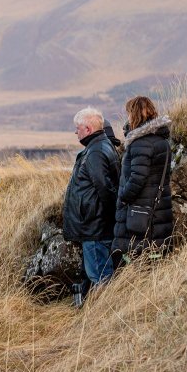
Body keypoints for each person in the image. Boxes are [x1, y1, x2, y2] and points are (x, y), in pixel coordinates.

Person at [62, 108, 121, 292]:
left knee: (101, 279)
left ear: (87, 129)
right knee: (100, 276)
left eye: (77, 128)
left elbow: (105, 189)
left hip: (95, 228)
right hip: (96, 225)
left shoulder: (95, 151)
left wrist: (104, 217)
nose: (75, 132)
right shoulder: (99, 146)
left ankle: (104, 317)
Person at [113, 96, 173, 264]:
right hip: (157, 209)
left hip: (139, 212)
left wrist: (123, 197)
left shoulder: (141, 143)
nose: (128, 118)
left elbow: (137, 179)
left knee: (138, 260)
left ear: (135, 114)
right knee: (154, 259)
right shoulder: (161, 141)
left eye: (129, 113)